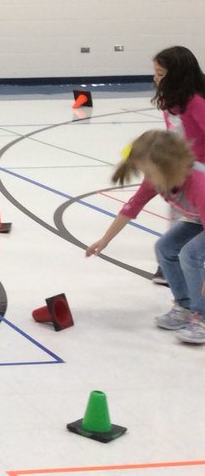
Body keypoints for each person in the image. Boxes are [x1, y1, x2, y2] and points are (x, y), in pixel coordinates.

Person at [85, 130, 205, 345]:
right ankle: (185, 306)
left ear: (168, 167)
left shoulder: (199, 184)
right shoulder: (157, 179)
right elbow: (131, 207)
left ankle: (201, 315)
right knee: (165, 247)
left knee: (191, 253)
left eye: (149, 172)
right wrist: (105, 240)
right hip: (199, 219)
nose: (147, 179)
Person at [149, 45, 205, 285]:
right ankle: (169, 262)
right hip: (183, 172)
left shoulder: (196, 104)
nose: (155, 78)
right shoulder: (170, 102)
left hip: (199, 175)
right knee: (177, 211)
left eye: (161, 73)